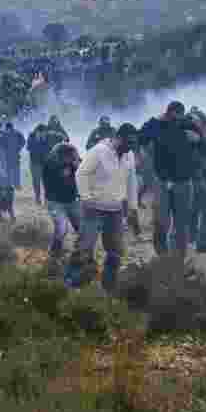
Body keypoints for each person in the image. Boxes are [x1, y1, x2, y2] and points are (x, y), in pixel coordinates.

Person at [65, 125, 139, 293]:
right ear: (119, 138)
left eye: (132, 145)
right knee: (85, 246)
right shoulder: (98, 151)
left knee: (115, 250)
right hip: (93, 208)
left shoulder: (129, 155)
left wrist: (133, 207)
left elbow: (131, 181)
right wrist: (86, 198)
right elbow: (81, 173)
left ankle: (109, 287)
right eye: (128, 143)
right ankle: (71, 285)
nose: (129, 148)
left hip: (116, 210)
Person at [140, 101, 206, 256]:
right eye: (172, 114)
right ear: (167, 113)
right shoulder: (156, 124)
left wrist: (198, 139)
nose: (175, 118)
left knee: (182, 222)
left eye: (179, 115)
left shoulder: (189, 126)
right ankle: (161, 252)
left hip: (183, 181)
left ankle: (179, 257)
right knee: (162, 220)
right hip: (162, 180)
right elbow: (141, 138)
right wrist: (155, 122)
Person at [42, 141, 82, 278]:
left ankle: (81, 254)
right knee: (61, 228)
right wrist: (64, 174)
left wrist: (77, 166)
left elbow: (82, 169)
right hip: (55, 202)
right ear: (60, 156)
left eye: (72, 157)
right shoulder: (49, 164)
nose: (71, 159)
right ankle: (54, 254)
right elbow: (51, 185)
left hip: (72, 200)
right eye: (69, 157)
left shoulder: (72, 162)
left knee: (82, 228)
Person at [187, 111, 206, 252]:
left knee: (194, 211)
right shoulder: (192, 135)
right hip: (194, 178)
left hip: (195, 178)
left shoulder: (191, 134)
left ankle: (193, 240)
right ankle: (201, 243)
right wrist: (202, 135)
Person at [27, 124, 50, 204]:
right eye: (43, 132)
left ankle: (47, 199)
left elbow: (48, 148)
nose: (44, 134)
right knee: (36, 181)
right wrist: (37, 141)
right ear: (38, 131)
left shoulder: (46, 137)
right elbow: (29, 147)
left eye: (45, 132)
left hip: (45, 163)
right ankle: (37, 197)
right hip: (35, 163)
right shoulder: (31, 137)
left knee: (46, 182)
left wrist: (43, 141)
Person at [3, 121, 26, 190]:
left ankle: (16, 185)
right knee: (9, 171)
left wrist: (19, 148)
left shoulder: (16, 133)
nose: (8, 130)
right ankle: (11, 185)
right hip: (8, 155)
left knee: (15, 171)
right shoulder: (5, 133)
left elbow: (23, 141)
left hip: (14, 155)